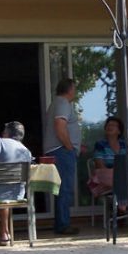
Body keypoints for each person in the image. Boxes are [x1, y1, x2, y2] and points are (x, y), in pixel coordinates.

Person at [43, 78, 82, 235]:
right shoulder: (63, 103)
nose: (75, 92)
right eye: (75, 88)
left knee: (62, 188)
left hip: (59, 150)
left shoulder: (57, 103)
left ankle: (62, 223)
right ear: (70, 89)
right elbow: (60, 126)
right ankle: (63, 225)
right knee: (65, 188)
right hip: (61, 151)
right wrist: (69, 146)